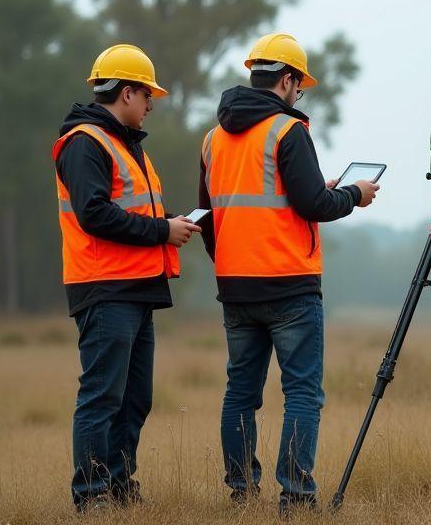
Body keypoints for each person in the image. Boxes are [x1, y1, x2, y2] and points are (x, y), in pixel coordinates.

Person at [197, 33, 378, 514]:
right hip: (289, 286)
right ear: (287, 79)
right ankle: (295, 498)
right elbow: (313, 204)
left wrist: (229, 267)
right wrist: (355, 196)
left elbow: (209, 216)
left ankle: (241, 493)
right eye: (299, 85)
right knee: (301, 392)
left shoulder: (214, 139)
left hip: (235, 287)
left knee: (240, 391)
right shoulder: (287, 131)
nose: (300, 94)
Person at [52, 44, 201, 512]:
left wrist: (174, 222)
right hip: (105, 288)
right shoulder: (84, 143)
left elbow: (132, 209)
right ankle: (91, 497)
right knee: (102, 398)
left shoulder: (124, 144)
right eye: (147, 95)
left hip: (135, 288)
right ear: (128, 92)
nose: (151, 104)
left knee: (135, 400)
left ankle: (118, 489)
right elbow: (94, 214)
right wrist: (162, 230)